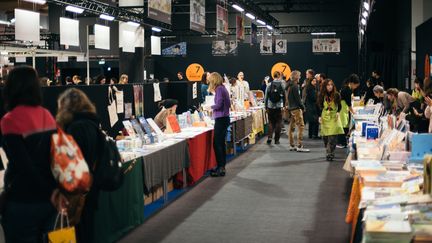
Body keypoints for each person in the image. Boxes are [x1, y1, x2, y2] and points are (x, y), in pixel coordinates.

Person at [1, 66, 62, 242]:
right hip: (50, 200)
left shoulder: (10, 119)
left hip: (22, 199)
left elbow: (24, 166)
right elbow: (56, 157)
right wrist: (52, 191)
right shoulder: (47, 115)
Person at [56, 88, 101, 242]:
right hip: (92, 185)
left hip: (76, 188)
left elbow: (69, 161)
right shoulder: (93, 124)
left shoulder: (74, 127)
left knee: (76, 230)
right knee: (88, 229)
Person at [208, 72, 231, 177]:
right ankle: (221, 167)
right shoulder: (223, 88)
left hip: (221, 119)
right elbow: (228, 104)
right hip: (224, 118)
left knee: (217, 144)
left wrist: (210, 107)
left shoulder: (219, 89)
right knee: (220, 143)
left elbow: (219, 104)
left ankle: (220, 167)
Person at [318, 79, 344, 161]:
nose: (330, 87)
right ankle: (328, 149)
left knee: (333, 137)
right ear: (325, 86)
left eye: (331, 85)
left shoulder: (336, 95)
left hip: (334, 117)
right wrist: (319, 116)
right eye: (328, 85)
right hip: (325, 116)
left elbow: (340, 106)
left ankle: (330, 153)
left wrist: (338, 112)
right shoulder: (321, 95)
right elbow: (319, 106)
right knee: (325, 137)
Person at [286, 70, 309, 152]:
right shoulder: (295, 86)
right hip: (296, 109)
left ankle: (291, 145)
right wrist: (303, 107)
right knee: (301, 126)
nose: (300, 77)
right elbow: (298, 100)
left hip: (291, 109)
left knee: (291, 127)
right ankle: (300, 145)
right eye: (299, 76)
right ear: (296, 77)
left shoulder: (289, 85)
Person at [337, 74, 359, 148]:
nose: (355, 88)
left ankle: (343, 142)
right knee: (343, 125)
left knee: (345, 125)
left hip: (344, 108)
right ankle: (341, 143)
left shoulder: (346, 88)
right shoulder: (347, 90)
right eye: (355, 86)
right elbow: (349, 103)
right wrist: (353, 112)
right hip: (342, 108)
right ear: (352, 83)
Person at [265, 71, 286, 145]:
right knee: (278, 122)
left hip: (270, 106)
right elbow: (284, 95)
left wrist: (266, 106)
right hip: (279, 106)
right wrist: (284, 105)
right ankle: (276, 140)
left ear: (273, 76)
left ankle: (269, 137)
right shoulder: (282, 84)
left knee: (271, 122)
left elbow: (266, 97)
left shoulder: (269, 84)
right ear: (279, 75)